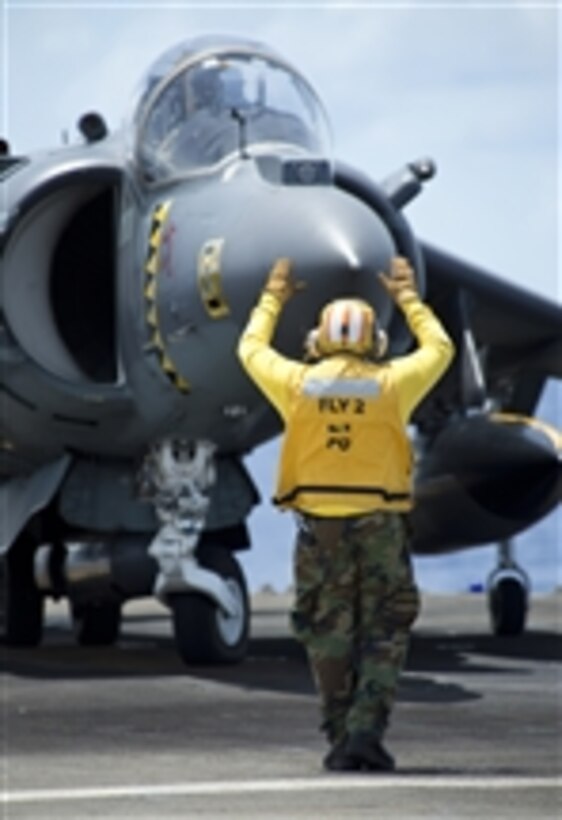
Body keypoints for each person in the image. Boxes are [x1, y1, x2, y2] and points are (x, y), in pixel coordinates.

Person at [237, 256, 454, 772]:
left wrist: (272, 297)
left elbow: (249, 349)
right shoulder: (393, 385)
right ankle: (365, 734)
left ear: (319, 340)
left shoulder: (295, 384)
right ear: (373, 342)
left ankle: (338, 738)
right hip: (379, 528)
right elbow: (441, 349)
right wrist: (408, 298)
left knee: (326, 632)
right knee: (384, 630)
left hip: (319, 532)